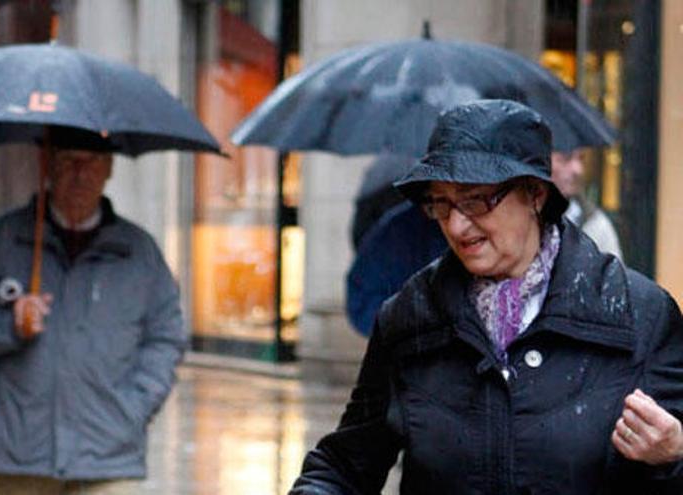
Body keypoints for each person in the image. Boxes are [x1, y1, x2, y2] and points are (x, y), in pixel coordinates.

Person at [290, 100, 683, 494]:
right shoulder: (410, 316)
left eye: (476, 200)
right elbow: (344, 466)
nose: (458, 226)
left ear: (535, 194)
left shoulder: (639, 316)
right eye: (440, 203)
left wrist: (672, 458)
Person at [0, 137, 186, 494]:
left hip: (108, 454)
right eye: (69, 160)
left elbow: (165, 337)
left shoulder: (138, 252)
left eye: (91, 162)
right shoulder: (3, 240)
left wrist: (134, 406)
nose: (80, 173)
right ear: (49, 164)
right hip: (20, 450)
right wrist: (9, 325)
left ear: (109, 169)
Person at [551, 147, 623, 260]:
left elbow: (615, 273)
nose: (577, 169)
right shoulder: (525, 219)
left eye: (580, 159)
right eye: (565, 159)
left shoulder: (596, 225)